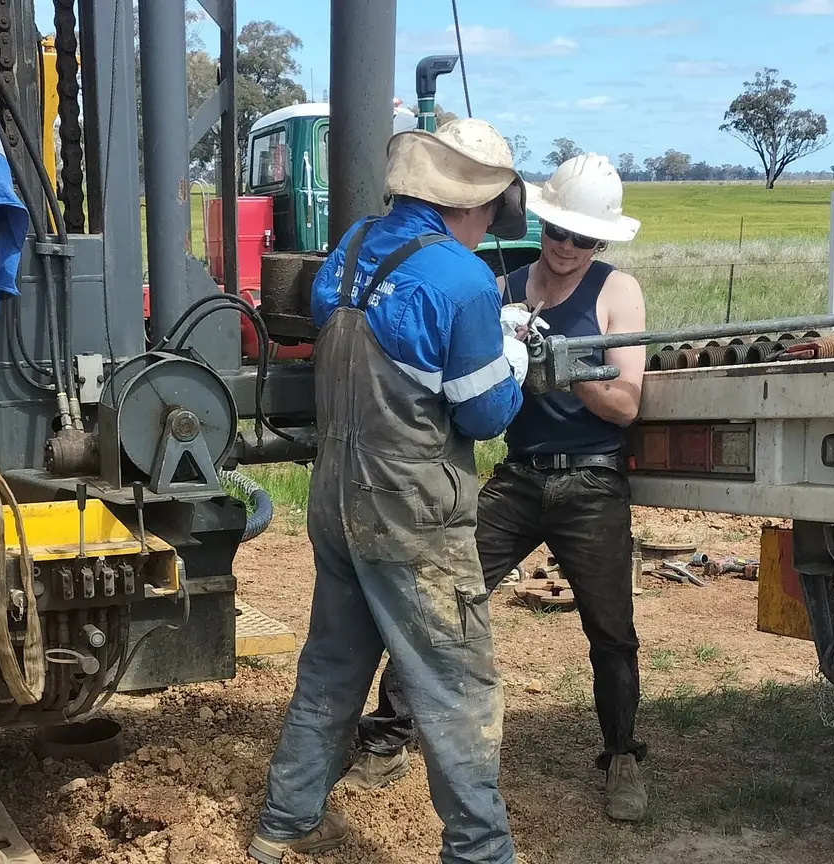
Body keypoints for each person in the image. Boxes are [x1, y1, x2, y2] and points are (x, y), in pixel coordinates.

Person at [246, 118, 531, 864]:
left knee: (331, 669)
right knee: (456, 688)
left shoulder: (347, 252)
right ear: (477, 205)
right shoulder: (463, 280)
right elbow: (486, 413)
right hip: (412, 521)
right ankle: (481, 851)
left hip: (339, 504)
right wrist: (513, 357)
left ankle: (282, 822)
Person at [340, 152, 650, 823]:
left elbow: (627, 404)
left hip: (592, 479)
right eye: (560, 233)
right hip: (519, 474)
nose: (568, 249)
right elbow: (469, 402)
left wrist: (563, 369)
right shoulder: (500, 286)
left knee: (610, 629)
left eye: (584, 239)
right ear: (541, 224)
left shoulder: (615, 292)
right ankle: (391, 737)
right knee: (440, 599)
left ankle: (622, 755)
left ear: (601, 242)